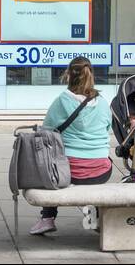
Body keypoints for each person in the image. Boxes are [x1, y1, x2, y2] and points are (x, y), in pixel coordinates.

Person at [29, 56, 113, 236]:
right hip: (101, 171)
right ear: (91, 75)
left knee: (50, 166)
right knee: (98, 162)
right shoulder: (103, 103)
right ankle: (96, 215)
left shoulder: (62, 101)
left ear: (68, 75)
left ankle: (47, 218)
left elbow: (46, 131)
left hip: (69, 171)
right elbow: (108, 128)